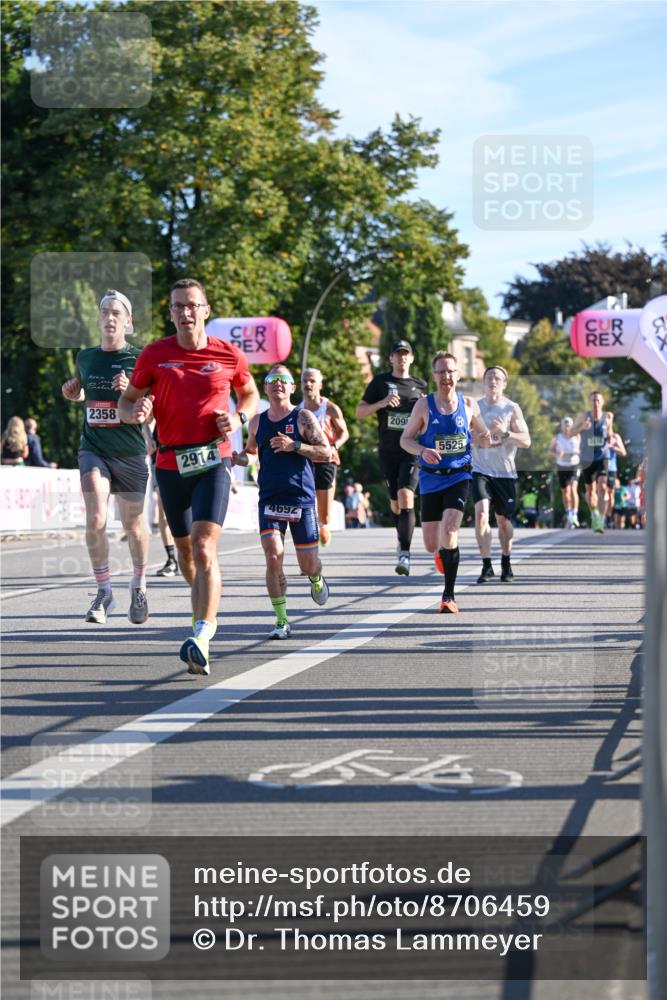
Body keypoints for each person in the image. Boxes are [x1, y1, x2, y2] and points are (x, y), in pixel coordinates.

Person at [119, 278, 259, 676]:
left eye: (192, 305)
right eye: (178, 306)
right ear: (171, 313)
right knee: (185, 554)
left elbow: (248, 394)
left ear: (205, 311)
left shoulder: (227, 355)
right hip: (170, 465)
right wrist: (137, 414)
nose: (185, 313)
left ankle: (202, 633)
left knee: (203, 545)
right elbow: (127, 402)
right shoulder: (154, 354)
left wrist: (237, 418)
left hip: (214, 459)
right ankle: (201, 608)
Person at [61, 290, 151, 626]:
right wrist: (75, 394)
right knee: (96, 518)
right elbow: (86, 393)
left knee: (133, 526)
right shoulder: (85, 357)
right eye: (104, 312)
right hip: (93, 448)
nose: (109, 317)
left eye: (116, 312)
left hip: (129, 452)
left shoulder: (141, 360)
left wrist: (133, 389)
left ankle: (139, 584)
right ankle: (104, 591)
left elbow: (150, 409)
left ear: (128, 322)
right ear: (98, 319)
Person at [232, 364, 331, 640]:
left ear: (291, 387)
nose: (277, 383)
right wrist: (239, 458)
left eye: (283, 379)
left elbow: (325, 451)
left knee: (308, 564)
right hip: (270, 500)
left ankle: (316, 578)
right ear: (265, 388)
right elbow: (252, 453)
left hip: (301, 499)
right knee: (273, 556)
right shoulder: (257, 422)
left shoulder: (303, 418)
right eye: (272, 379)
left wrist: (295, 446)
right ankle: (281, 620)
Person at [400, 352, 491, 614]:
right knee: (431, 543)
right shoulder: (423, 406)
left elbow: (483, 436)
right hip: (430, 479)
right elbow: (405, 440)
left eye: (450, 371)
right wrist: (421, 450)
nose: (445, 376)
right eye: (440, 372)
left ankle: (448, 596)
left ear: (458, 374)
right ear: (434, 375)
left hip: (459, 475)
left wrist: (487, 435)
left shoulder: (469, 404)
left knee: (450, 529)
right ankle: (442, 552)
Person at [355, 340, 427, 575]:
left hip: (412, 450)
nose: (402, 358)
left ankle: (405, 553)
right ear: (391, 359)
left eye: (406, 354)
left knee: (406, 496)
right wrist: (382, 403)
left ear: (411, 359)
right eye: (398, 354)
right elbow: (359, 412)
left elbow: (428, 415)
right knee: (395, 503)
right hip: (388, 451)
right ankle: (402, 537)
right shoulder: (380, 383)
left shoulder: (420, 386)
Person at [471, 365, 531, 583]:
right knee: (481, 514)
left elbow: (526, 440)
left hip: (504, 473)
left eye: (497, 378)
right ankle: (486, 565)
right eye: (488, 377)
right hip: (480, 470)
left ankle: (506, 560)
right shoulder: (474, 408)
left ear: (504, 384)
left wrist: (505, 433)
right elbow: (465, 437)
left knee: (503, 521)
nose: (492, 381)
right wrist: (476, 439)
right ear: (484, 382)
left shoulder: (511, 408)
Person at [298, 368, 349, 546]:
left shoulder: (330, 408)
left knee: (324, 515)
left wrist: (334, 446)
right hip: (305, 462)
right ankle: (309, 548)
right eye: (305, 381)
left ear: (320, 384)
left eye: (312, 381)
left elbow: (344, 433)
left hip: (327, 462)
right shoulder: (297, 411)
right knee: (305, 508)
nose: (308, 384)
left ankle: (323, 527)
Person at [567, 390, 609, 533]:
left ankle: (601, 521)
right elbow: (570, 433)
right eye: (593, 400)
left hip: (602, 456)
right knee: (590, 491)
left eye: (598, 400)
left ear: (602, 402)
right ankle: (594, 514)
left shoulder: (608, 417)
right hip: (587, 458)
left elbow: (610, 434)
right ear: (589, 402)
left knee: (603, 487)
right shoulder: (583, 416)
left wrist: (613, 441)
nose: (596, 403)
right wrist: (582, 427)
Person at [549, 417, 580, 528]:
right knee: (565, 492)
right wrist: (557, 453)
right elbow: (550, 450)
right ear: (562, 426)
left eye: (569, 425)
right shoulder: (557, 438)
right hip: (562, 465)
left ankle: (575, 514)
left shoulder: (577, 436)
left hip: (574, 465)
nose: (567, 427)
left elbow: (582, 449)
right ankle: (569, 513)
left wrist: (576, 452)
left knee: (573, 489)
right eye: (565, 425)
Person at [603, 411, 626, 527]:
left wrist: (613, 447)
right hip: (599, 467)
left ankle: (608, 517)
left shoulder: (615, 437)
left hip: (611, 468)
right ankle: (600, 515)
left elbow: (623, 452)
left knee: (610, 493)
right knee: (601, 490)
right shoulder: (597, 435)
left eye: (609, 418)